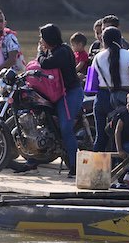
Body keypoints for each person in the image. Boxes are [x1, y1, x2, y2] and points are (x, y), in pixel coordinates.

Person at [14, 24, 83, 178]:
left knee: (65, 128)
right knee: (40, 121)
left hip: (70, 93)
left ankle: (74, 166)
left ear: (48, 38)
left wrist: (40, 52)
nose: (40, 40)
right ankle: (32, 160)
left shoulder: (62, 51)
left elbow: (45, 63)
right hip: (56, 92)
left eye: (42, 37)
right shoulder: (53, 50)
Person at [91, 27, 129, 152]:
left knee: (101, 137)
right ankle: (118, 169)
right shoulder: (128, 56)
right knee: (119, 136)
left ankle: (95, 169)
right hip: (121, 99)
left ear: (103, 41)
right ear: (120, 40)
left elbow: (92, 82)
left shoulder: (97, 57)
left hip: (101, 98)